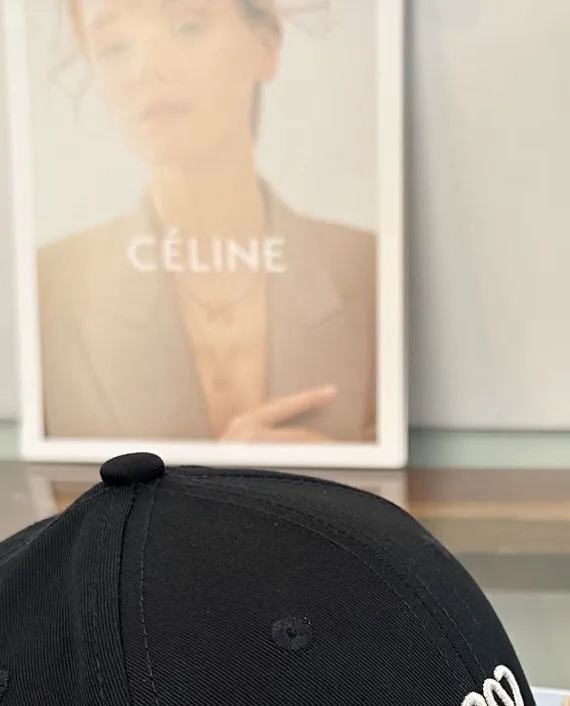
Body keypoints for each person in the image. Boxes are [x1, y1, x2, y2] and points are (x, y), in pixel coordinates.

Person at [39, 0, 376, 443]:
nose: (147, 67)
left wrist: (338, 474)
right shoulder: (49, 291)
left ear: (266, 47)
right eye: (114, 46)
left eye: (187, 26)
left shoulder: (372, 273)